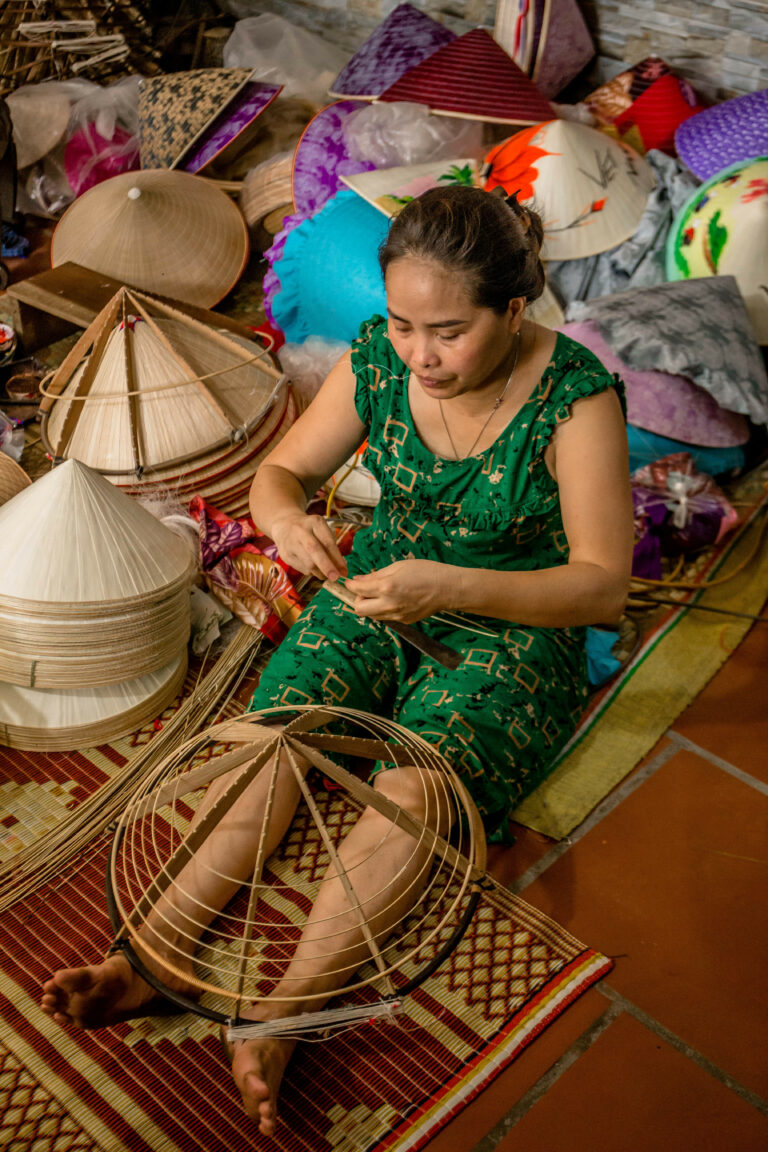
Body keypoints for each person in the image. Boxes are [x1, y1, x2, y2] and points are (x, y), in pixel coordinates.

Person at [40, 185, 633, 1139]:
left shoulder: (574, 398)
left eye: (448, 331)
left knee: (413, 789)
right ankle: (149, 955)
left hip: (513, 624)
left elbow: (603, 586)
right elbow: (279, 474)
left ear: (514, 312)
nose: (419, 355)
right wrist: (286, 523)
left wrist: (447, 588)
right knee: (279, 741)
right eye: (402, 324)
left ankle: (287, 1012)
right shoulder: (379, 362)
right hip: (377, 589)